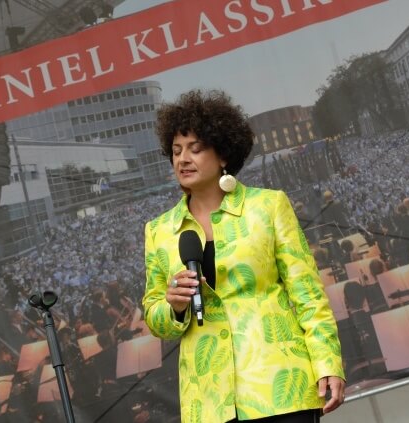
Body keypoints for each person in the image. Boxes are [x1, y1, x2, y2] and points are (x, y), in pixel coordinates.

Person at [143, 90, 345, 423]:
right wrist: (174, 307)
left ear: (223, 154)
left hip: (280, 387)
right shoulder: (159, 231)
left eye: (195, 148)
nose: (183, 159)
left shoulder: (268, 206)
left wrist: (328, 362)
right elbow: (156, 319)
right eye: (176, 151)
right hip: (209, 401)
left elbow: (308, 295)